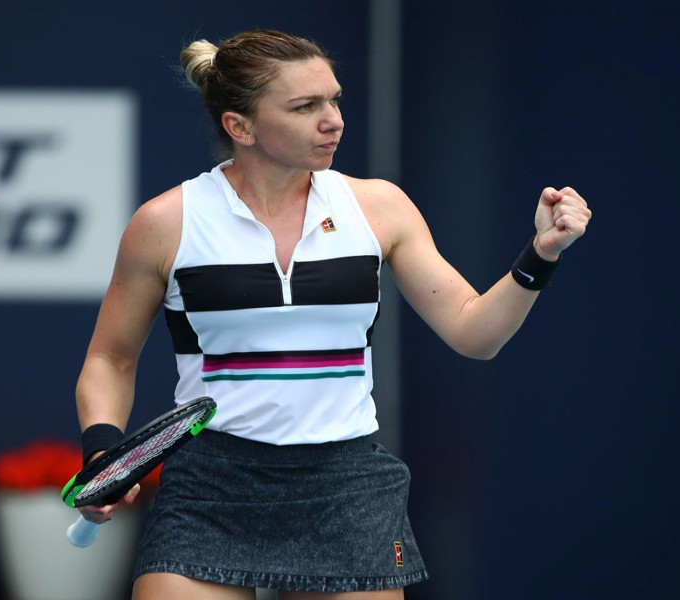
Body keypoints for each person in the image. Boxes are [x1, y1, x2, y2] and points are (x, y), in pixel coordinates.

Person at [74, 29, 591, 599]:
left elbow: (475, 333)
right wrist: (104, 453)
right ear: (239, 127)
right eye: (305, 107)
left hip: (346, 487)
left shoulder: (378, 207)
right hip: (212, 490)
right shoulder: (166, 223)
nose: (333, 120)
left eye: (335, 100)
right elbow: (110, 357)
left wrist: (540, 256)